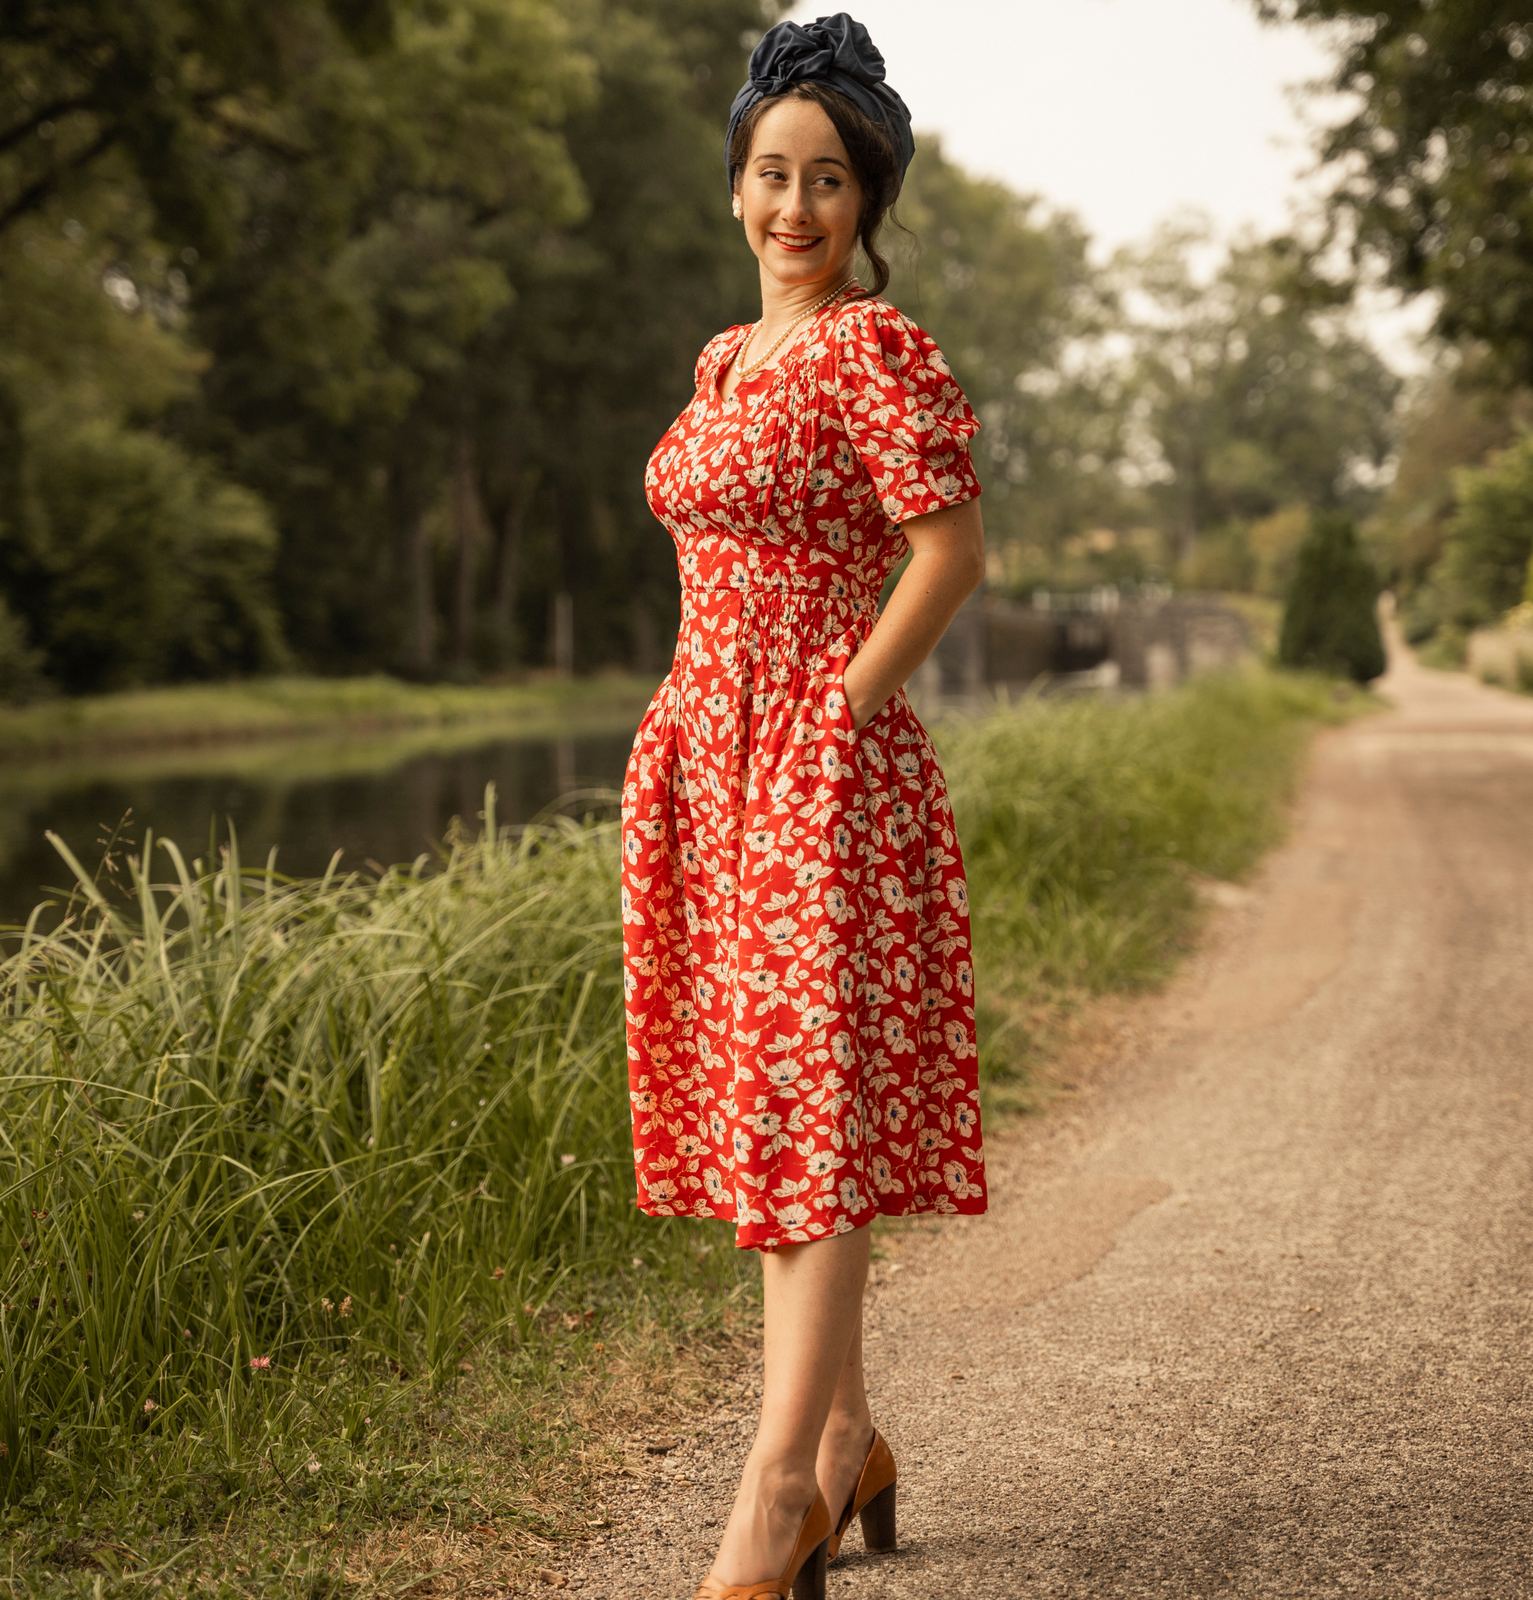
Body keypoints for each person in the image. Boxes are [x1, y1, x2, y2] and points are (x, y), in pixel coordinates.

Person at [619, 14, 989, 1598]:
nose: (795, 206)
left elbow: (950, 553)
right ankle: (846, 1439)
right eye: (771, 173)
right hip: (708, 761)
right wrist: (700, 732)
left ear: (868, 199)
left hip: (817, 763)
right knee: (766, 1102)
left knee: (810, 1115)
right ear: (734, 187)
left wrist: (836, 716)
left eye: (827, 179)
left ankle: (779, 1494)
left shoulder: (872, 348)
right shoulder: (727, 359)